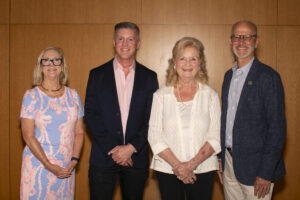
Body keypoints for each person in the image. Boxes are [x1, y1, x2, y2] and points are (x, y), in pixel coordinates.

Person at [85, 21, 159, 200]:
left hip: (136, 158)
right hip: (103, 157)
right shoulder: (97, 74)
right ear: (113, 42)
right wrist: (115, 149)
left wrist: (131, 148)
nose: (125, 44)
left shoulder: (150, 77)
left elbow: (153, 118)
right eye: (121, 39)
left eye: (130, 39)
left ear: (138, 43)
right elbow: (91, 114)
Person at [218, 20, 286, 200]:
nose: (242, 41)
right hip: (230, 164)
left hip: (257, 170)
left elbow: (277, 129)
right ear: (230, 41)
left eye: (248, 37)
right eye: (237, 37)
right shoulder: (228, 76)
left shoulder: (268, 77)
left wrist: (266, 172)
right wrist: (220, 158)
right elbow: (226, 120)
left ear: (257, 41)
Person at [148, 37, 221, 200]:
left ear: (200, 63)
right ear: (174, 62)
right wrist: (178, 166)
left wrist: (191, 165)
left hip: (203, 169)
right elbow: (154, 137)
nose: (187, 64)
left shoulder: (211, 95)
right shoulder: (160, 96)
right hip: (168, 170)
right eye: (182, 58)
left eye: (193, 59)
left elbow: (215, 137)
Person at [20, 47, 85, 199]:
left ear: (62, 66)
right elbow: (28, 136)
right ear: (40, 66)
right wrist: (48, 164)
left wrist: (74, 161)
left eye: (56, 60)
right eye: (46, 61)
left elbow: (80, 132)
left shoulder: (73, 95)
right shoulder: (31, 96)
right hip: (38, 166)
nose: (51, 64)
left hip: (66, 167)